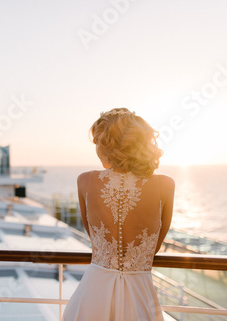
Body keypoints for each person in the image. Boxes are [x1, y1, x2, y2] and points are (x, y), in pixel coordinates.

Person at [63, 108, 174, 321]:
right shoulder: (166, 185)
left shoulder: (85, 181)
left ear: (107, 146)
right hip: (140, 293)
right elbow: (155, 247)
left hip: (93, 293)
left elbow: (95, 239)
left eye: (98, 142)